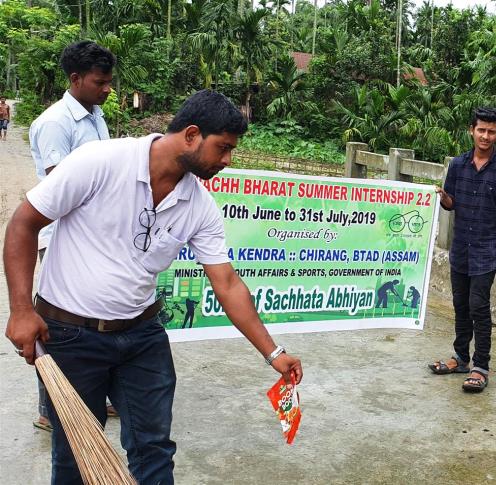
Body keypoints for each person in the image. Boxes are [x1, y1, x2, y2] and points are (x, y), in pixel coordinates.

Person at [4, 89, 303, 484]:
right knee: (77, 454)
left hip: (141, 337)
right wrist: (21, 310)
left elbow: (228, 284)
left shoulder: (199, 206)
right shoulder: (100, 162)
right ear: (192, 135)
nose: (228, 160)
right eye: (224, 147)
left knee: (154, 449)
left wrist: (273, 353)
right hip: (70, 335)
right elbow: (23, 225)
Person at [28, 40, 115, 433]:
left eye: (110, 82)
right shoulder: (55, 123)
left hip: (94, 235)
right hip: (62, 235)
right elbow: (61, 185)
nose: (107, 89)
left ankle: (93, 392)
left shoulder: (95, 116)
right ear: (75, 78)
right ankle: (50, 407)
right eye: (100, 82)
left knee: (95, 317)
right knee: (61, 320)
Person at [428, 107, 496, 393]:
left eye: (491, 131)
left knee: (478, 306)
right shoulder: (458, 165)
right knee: (460, 304)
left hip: (488, 249)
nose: (485, 136)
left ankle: (480, 366)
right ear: (472, 130)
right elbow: (451, 204)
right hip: (461, 248)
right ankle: (460, 358)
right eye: (481, 130)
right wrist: (443, 197)